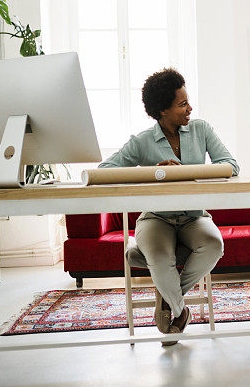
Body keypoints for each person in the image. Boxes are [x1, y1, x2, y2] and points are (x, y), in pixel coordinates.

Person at [100, 67, 239, 346]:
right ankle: (179, 310)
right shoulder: (142, 142)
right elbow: (106, 171)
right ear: (162, 111)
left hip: (193, 217)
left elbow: (231, 166)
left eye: (188, 101)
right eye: (182, 104)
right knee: (161, 259)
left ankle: (166, 293)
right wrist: (153, 174)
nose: (190, 108)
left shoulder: (201, 129)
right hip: (155, 219)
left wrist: (183, 172)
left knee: (214, 245)